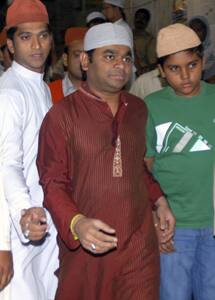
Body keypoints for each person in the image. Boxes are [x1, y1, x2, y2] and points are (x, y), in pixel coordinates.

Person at [37, 22, 165, 300]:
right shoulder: (62, 116)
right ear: (85, 60)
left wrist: (159, 199)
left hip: (138, 245)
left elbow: (135, 167)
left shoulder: (137, 109)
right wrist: (76, 223)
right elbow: (52, 181)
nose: (120, 64)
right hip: (89, 248)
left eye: (126, 57)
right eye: (109, 56)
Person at [145, 23, 215, 300]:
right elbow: (145, 165)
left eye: (192, 65)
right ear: (161, 72)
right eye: (174, 69)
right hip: (173, 227)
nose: (185, 75)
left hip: (212, 225)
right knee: (174, 294)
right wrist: (153, 216)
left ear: (204, 61)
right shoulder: (151, 106)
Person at [0, 0, 58, 299]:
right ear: (10, 44)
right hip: (19, 225)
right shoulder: (10, 93)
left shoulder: (42, 87)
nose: (36, 45)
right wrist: (5, 242)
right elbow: (6, 166)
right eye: (25, 37)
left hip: (42, 223)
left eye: (43, 35)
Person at [49, 27, 87, 103]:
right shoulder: (49, 92)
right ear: (65, 59)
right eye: (77, 55)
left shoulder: (106, 92)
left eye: (88, 55)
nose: (84, 60)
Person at [188, 15, 215, 82]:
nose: (195, 34)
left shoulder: (212, 51)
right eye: (192, 30)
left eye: (199, 30)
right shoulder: (187, 49)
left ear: (206, 31)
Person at [133, 8, 157, 76]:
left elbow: (153, 64)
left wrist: (140, 72)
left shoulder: (150, 40)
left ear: (147, 21)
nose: (139, 20)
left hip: (139, 74)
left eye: (143, 18)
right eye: (137, 17)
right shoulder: (127, 33)